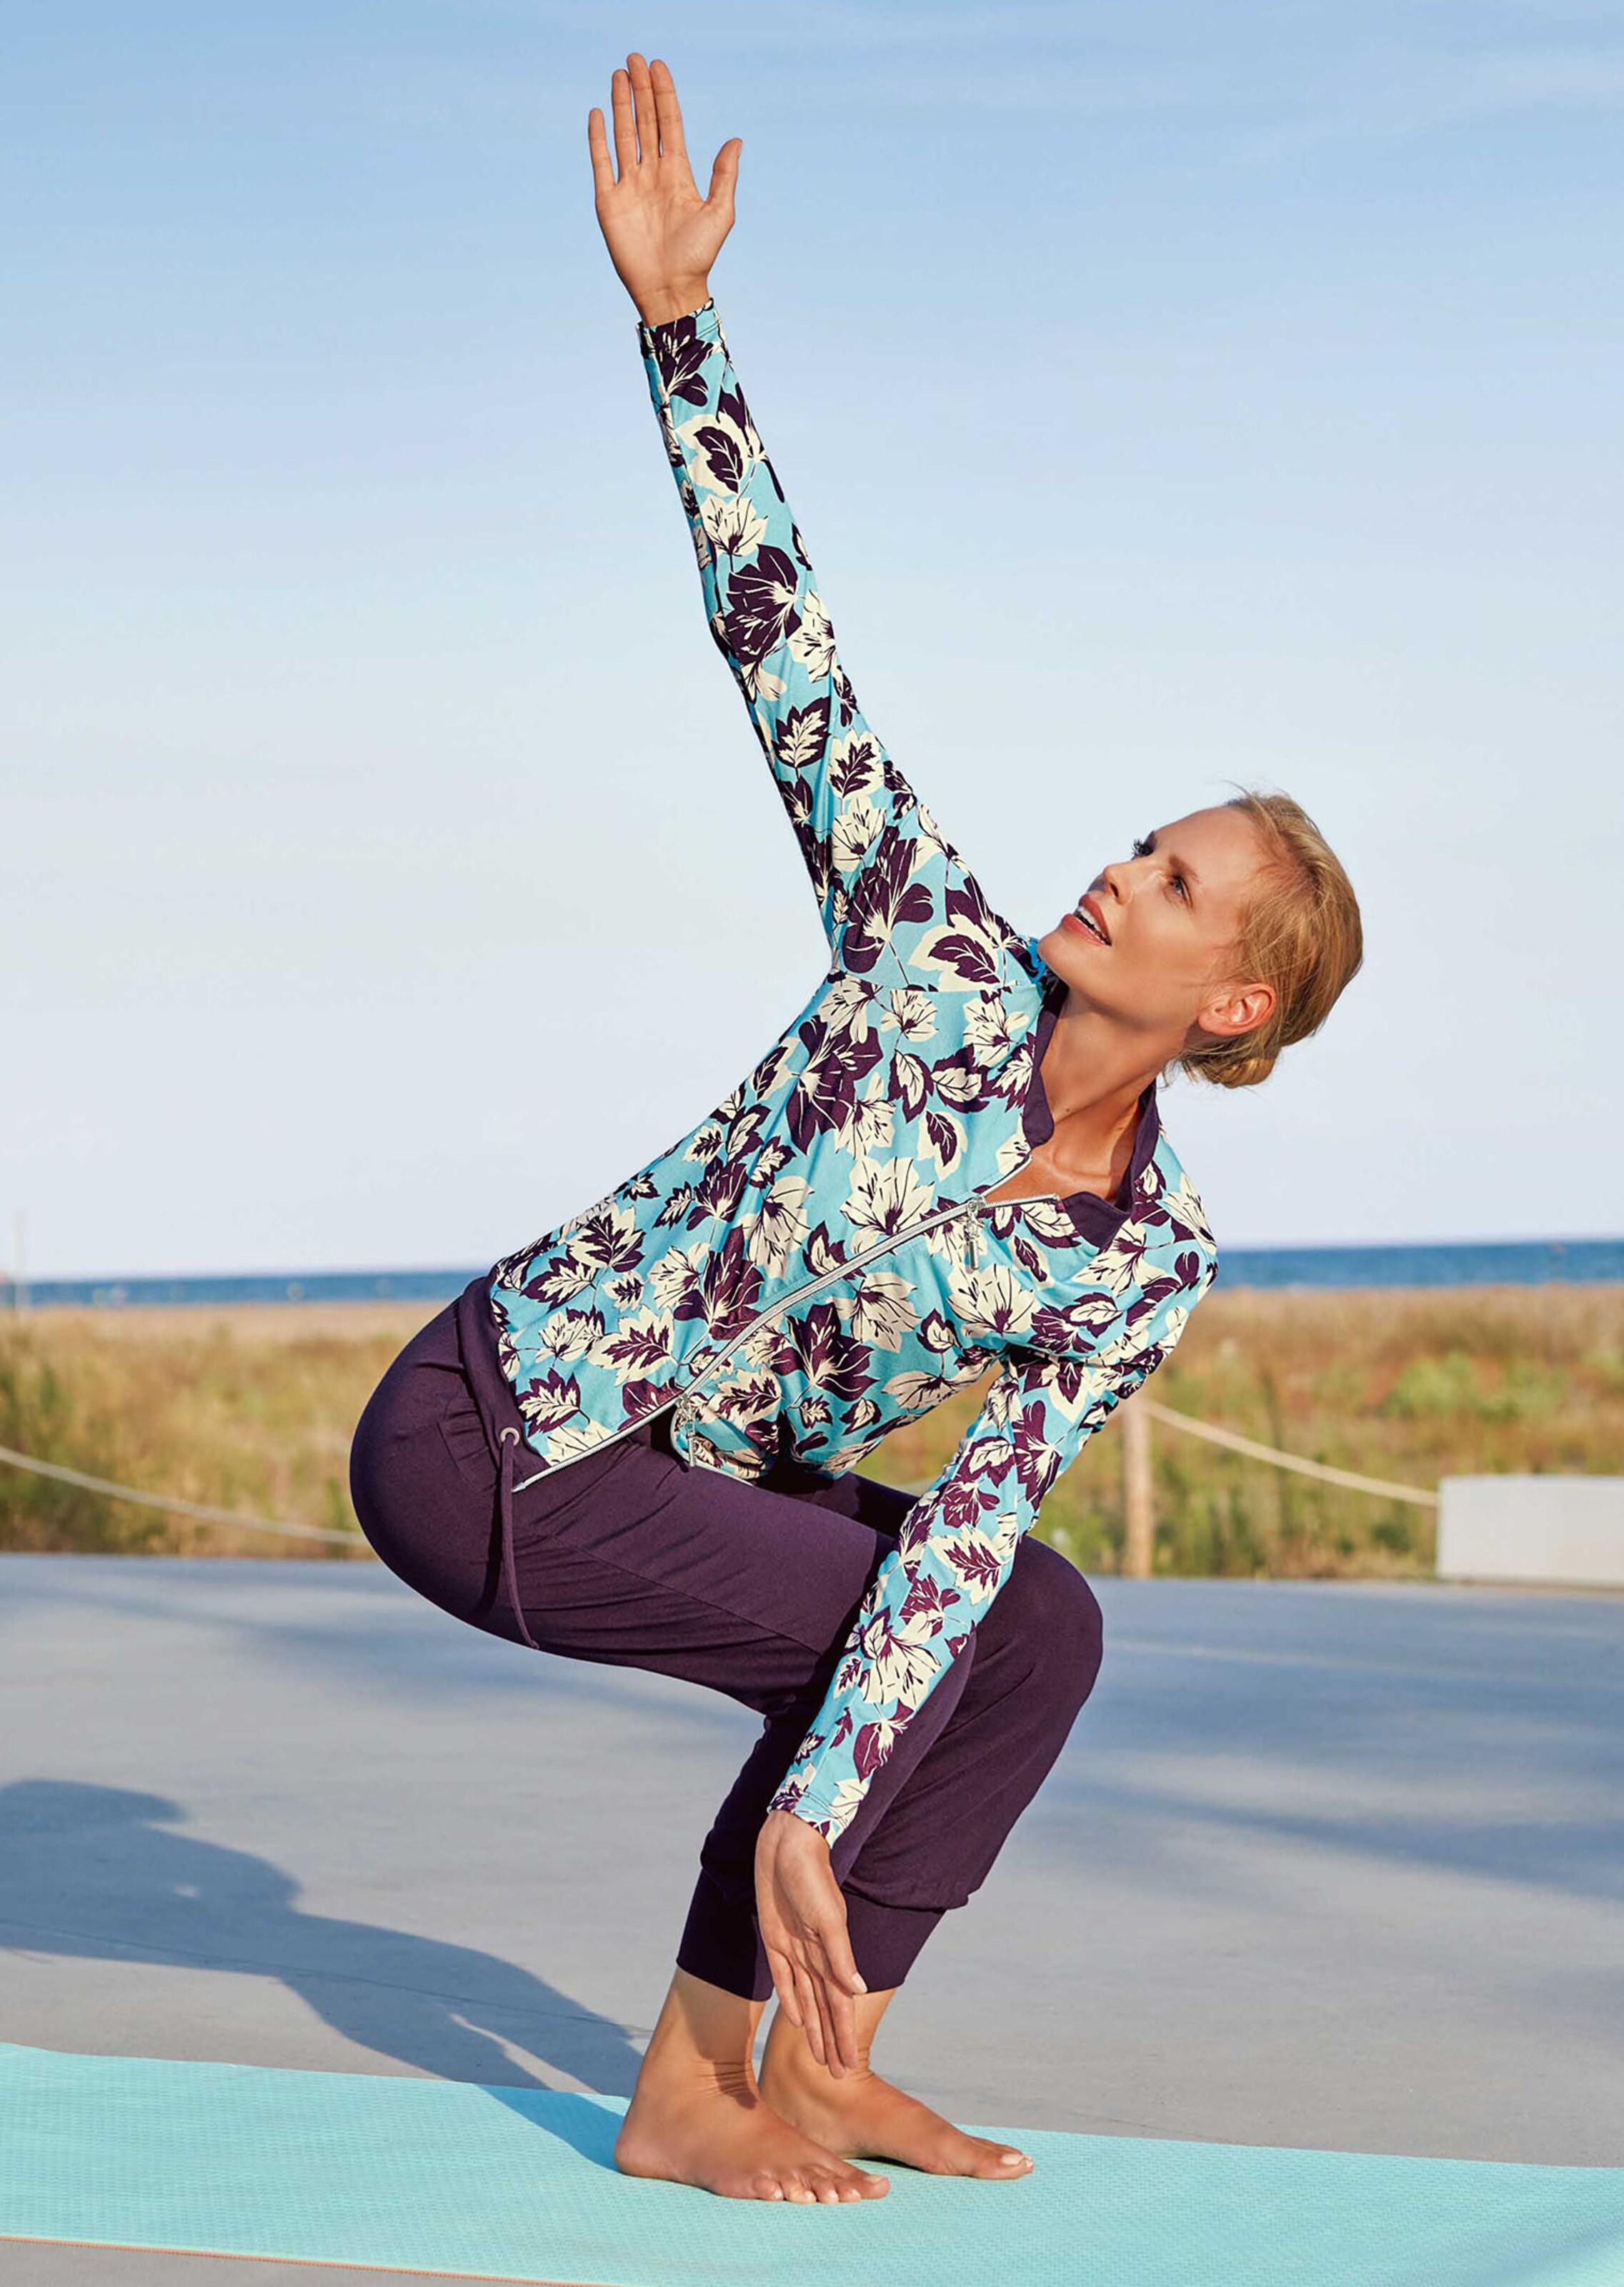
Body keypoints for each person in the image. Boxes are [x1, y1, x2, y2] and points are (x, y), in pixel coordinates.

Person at [349, 51, 1363, 2208]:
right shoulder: (929, 954)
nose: (1117, 875)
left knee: (1030, 1623)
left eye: (1175, 883)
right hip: (501, 1430)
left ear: (1236, 1004)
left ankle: (822, 2059)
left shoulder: (1144, 1260)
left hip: (665, 1469)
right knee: (892, 1649)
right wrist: (676, 323)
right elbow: (780, 642)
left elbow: (975, 1516)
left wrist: (822, 1800)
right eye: (1140, 845)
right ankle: (683, 2090)